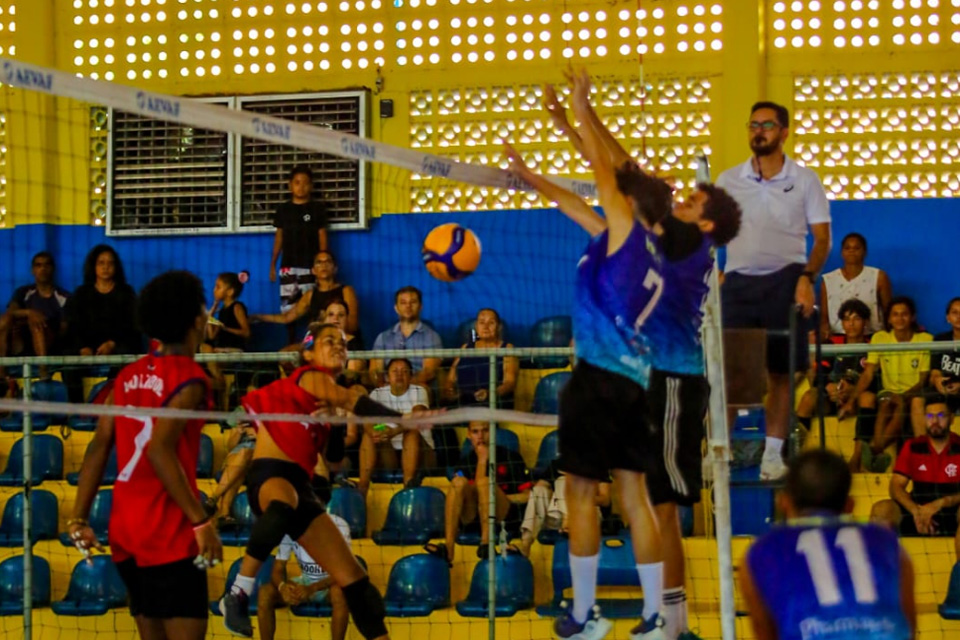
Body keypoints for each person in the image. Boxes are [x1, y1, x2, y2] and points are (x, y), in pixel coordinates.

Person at [509, 68, 741, 640]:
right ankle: (661, 618)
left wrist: (581, 116)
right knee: (643, 498)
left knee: (655, 503)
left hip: (666, 378)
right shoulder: (666, 239)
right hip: (645, 375)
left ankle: (668, 622)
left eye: (691, 199)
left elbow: (621, 177)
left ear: (705, 220)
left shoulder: (684, 245)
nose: (680, 199)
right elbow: (619, 182)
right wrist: (570, 123)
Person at [219, 322, 423, 639]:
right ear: (308, 352)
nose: (339, 345)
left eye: (343, 342)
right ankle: (237, 593)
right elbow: (355, 401)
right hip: (270, 475)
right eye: (329, 341)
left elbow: (336, 456)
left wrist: (337, 422)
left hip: (301, 488)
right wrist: (398, 418)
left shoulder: (327, 400)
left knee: (355, 580)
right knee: (282, 504)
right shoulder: (308, 376)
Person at [66, 271, 223, 640]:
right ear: (194, 319)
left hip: (126, 532)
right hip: (168, 531)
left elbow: (99, 446)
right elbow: (158, 450)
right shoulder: (190, 378)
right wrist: (200, 522)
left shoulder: (128, 375)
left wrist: (78, 518)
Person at [716, 101, 833, 481]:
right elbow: (708, 232)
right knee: (735, 377)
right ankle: (718, 452)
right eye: (753, 125)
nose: (758, 131)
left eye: (767, 124)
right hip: (739, 282)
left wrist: (806, 278)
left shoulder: (805, 180)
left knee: (781, 374)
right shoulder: (727, 181)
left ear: (783, 131)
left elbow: (821, 239)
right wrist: (713, 272)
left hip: (786, 278)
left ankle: (772, 456)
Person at [741, 449, 916, 640]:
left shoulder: (763, 551)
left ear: (784, 502)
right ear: (849, 505)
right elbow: (907, 627)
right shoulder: (886, 543)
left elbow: (764, 631)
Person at [840, 297, 932, 471]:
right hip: (888, 392)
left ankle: (875, 449)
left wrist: (903, 396)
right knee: (884, 405)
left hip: (913, 393)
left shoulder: (925, 339)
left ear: (912, 317)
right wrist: (851, 400)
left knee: (900, 406)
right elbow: (868, 374)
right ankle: (874, 451)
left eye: (904, 314)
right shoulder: (880, 338)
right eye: (895, 315)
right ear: (889, 319)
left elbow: (923, 380)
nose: (900, 318)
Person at [424, 421, 530, 565]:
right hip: (473, 517)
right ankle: (449, 547)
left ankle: (486, 543)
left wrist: (498, 497)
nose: (480, 436)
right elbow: (474, 493)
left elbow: (527, 496)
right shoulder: (465, 462)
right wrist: (482, 460)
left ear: (492, 433)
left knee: (485, 482)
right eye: (475, 432)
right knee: (457, 483)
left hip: (503, 517)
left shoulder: (511, 457)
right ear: (468, 435)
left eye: (485, 431)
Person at [258, 479, 352, 640]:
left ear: (321, 503)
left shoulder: (339, 526)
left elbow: (346, 572)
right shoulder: (291, 525)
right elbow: (278, 569)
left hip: (328, 584)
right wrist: (283, 587)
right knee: (265, 593)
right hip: (305, 582)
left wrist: (313, 588)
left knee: (340, 594)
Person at [870, 395, 960, 561]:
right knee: (882, 510)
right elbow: (895, 487)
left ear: (952, 419)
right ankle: (877, 571)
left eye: (941, 416)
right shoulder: (913, 446)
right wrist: (915, 510)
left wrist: (940, 503)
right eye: (929, 416)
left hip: (951, 511)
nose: (934, 421)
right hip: (916, 508)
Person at [796, 299, 878, 472]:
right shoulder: (831, 345)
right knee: (810, 397)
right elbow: (820, 375)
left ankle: (858, 459)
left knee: (868, 398)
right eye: (847, 319)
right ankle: (794, 453)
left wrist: (853, 392)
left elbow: (876, 379)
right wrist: (828, 387)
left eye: (856, 318)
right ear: (842, 323)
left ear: (865, 322)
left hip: (856, 401)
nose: (851, 323)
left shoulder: (873, 345)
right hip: (832, 400)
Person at [268, 166, 330, 344]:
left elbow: (322, 235)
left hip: (310, 266)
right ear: (290, 186)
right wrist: (273, 263)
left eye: (305, 183)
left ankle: (310, 343)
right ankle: (291, 342)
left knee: (312, 306)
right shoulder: (283, 210)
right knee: (288, 308)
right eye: (297, 183)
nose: (301, 187)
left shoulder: (317, 208)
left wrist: (322, 263)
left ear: (311, 186)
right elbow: (279, 237)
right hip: (288, 266)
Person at [358, 358, 435, 495]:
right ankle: (362, 488)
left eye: (404, 371)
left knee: (412, 431)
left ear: (411, 376)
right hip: (390, 454)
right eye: (395, 371)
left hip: (420, 453)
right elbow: (368, 423)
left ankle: (408, 486)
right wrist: (378, 430)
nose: (399, 374)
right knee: (368, 435)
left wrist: (395, 430)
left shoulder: (419, 390)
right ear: (387, 376)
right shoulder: (376, 393)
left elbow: (417, 416)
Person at [0, 251, 70, 380]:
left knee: (36, 324)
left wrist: (42, 323)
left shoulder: (63, 297)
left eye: (46, 265)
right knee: (6, 320)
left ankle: (43, 370)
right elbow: (10, 313)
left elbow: (64, 330)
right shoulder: (23, 292)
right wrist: (30, 313)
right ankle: (1, 369)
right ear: (33, 270)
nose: (42, 269)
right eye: (38, 265)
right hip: (20, 342)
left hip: (49, 342)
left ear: (53, 269)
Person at [256, 250, 360, 336]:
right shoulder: (310, 295)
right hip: (317, 341)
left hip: (341, 339)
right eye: (319, 262)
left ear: (335, 269)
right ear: (313, 270)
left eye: (328, 262)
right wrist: (259, 317)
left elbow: (352, 326)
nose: (324, 265)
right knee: (286, 354)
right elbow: (287, 317)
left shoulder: (346, 291)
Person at [819, 232, 892, 339]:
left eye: (856, 248)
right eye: (847, 248)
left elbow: (888, 311)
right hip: (838, 338)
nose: (851, 251)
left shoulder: (879, 277)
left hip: (872, 337)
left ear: (865, 252)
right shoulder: (828, 280)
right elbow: (824, 316)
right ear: (841, 252)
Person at [443, 308, 519, 409]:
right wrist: (450, 391)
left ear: (499, 327)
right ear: (476, 326)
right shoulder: (465, 348)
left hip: (492, 405)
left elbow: (510, 383)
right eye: (482, 322)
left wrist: (490, 394)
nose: (486, 327)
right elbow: (450, 379)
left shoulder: (507, 349)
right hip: (463, 403)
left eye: (491, 323)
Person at [368, 286, 443, 387]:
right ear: (396, 308)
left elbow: (428, 372)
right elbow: (374, 372)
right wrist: (387, 387)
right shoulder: (383, 337)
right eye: (403, 302)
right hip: (387, 389)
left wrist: (401, 385)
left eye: (413, 302)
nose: (408, 306)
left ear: (421, 306)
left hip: (417, 387)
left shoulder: (432, 337)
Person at [201, 271, 251, 403]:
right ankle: (218, 387)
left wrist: (226, 328)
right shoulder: (222, 310)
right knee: (205, 347)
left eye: (218, 287)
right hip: (221, 351)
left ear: (229, 291)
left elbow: (246, 332)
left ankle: (220, 383)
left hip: (235, 351)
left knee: (206, 350)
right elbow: (211, 335)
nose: (214, 290)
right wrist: (213, 308)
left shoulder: (237, 307)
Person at [202, 421, 257, 524]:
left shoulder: (268, 417)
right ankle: (224, 515)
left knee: (244, 454)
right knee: (239, 469)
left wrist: (258, 436)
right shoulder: (240, 413)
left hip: (258, 452)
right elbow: (230, 447)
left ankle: (214, 497)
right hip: (236, 455)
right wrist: (238, 432)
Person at [931, 297, 960, 418]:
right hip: (944, 390)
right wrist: (938, 381)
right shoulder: (940, 340)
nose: (959, 316)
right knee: (918, 400)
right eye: (954, 312)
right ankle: (922, 438)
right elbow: (934, 372)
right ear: (948, 318)